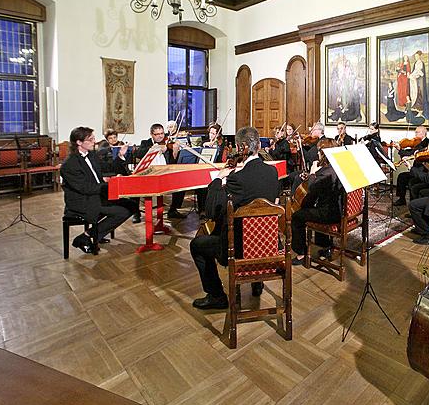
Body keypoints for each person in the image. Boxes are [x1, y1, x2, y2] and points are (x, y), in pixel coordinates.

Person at [190, 126, 280, 310]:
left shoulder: (237, 179)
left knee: (197, 245)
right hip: (269, 244)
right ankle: (257, 282)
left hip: (242, 248)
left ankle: (216, 296)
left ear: (243, 147)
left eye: (238, 147)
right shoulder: (273, 172)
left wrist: (218, 180)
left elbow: (212, 212)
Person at [61, 127, 132, 254]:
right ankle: (87, 237)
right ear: (79, 142)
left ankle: (91, 235)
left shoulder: (92, 155)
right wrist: (108, 184)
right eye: (91, 139)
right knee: (122, 212)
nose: (94, 141)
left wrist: (120, 155)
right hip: (82, 201)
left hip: (96, 195)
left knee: (131, 204)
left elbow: (108, 167)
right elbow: (85, 188)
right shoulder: (69, 164)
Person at [290, 139, 343, 265]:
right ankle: (324, 245)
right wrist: (313, 177)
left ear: (322, 153)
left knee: (297, 216)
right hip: (340, 210)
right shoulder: (337, 168)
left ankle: (301, 253)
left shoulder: (324, 174)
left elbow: (308, 199)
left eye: (319, 151)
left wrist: (313, 175)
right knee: (319, 206)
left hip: (330, 214)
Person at [134, 123, 186, 219]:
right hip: (149, 174)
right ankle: (136, 213)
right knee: (135, 184)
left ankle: (173, 210)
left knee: (181, 183)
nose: (160, 136)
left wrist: (175, 153)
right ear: (151, 134)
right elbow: (139, 153)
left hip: (164, 174)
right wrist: (154, 148)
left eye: (162, 133)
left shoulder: (168, 144)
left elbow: (172, 162)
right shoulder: (145, 142)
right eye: (157, 134)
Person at [393, 125, 429, 205]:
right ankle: (402, 199)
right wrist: (401, 150)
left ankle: (413, 204)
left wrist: (400, 150)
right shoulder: (419, 142)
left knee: (410, 181)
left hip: (421, 170)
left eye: (417, 132)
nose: (415, 134)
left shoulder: (426, 143)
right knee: (401, 177)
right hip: (415, 169)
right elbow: (411, 151)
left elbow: (411, 153)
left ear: (423, 133)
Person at [410, 50, 429, 120]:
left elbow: (419, 72)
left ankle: (421, 111)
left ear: (420, 56)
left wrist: (413, 75)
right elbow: (414, 71)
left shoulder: (421, 63)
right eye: (415, 56)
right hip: (416, 80)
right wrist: (411, 75)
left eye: (417, 56)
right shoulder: (416, 63)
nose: (416, 57)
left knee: (420, 95)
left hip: (419, 81)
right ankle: (417, 110)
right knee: (416, 95)